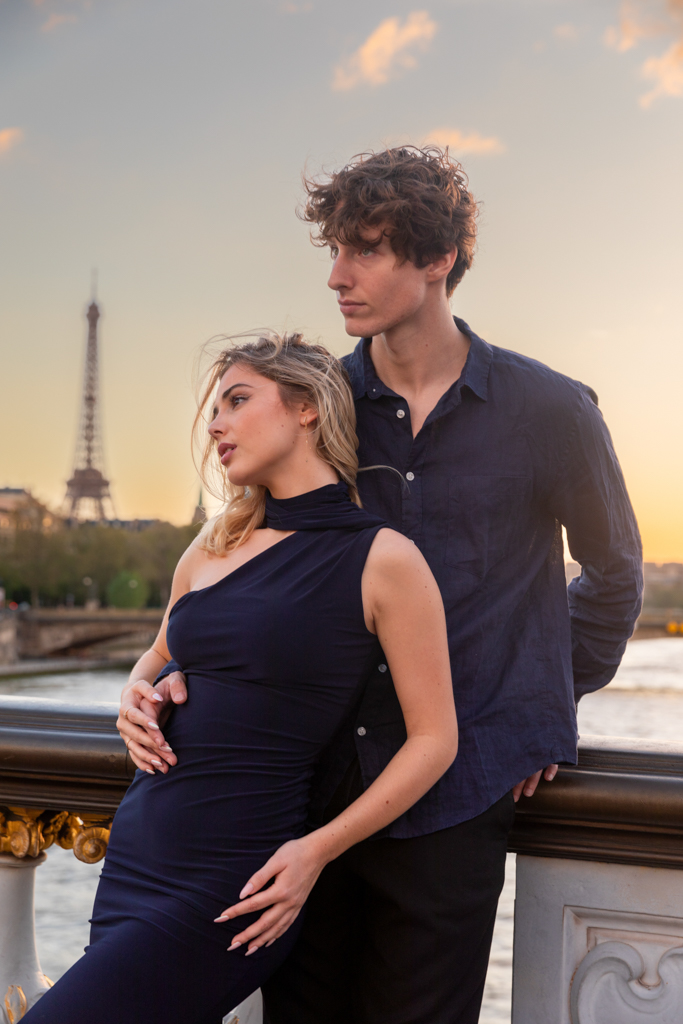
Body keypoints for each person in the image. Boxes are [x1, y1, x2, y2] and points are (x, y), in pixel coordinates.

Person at [121, 147, 643, 1024]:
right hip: (305, 787)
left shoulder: (550, 411)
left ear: (437, 260)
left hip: (454, 792)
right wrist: (168, 672)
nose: (336, 276)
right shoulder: (318, 405)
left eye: (364, 248)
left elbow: (616, 573)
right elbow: (254, 562)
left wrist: (535, 701)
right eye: (334, 249)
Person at [23, 333, 457, 1023]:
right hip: (138, 860)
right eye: (212, 409)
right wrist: (135, 693)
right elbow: (159, 653)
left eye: (236, 400)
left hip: (233, 882)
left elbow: (435, 740)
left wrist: (315, 852)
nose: (215, 424)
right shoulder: (213, 542)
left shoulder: (384, 560)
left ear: (307, 406)